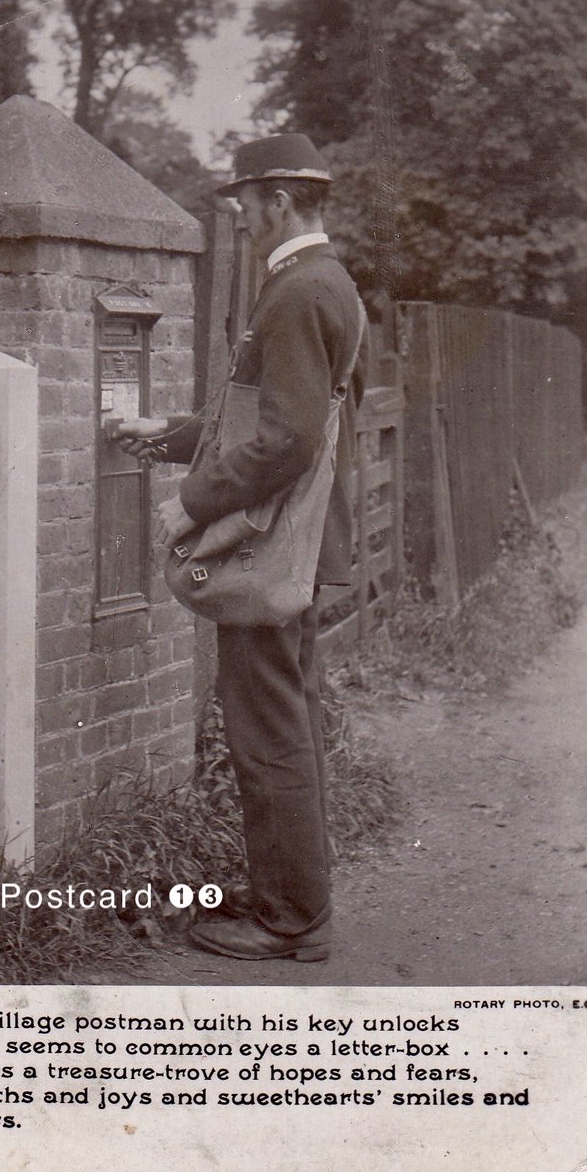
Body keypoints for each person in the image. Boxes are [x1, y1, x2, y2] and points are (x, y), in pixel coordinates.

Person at [114, 133, 368, 962]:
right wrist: (170, 433)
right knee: (281, 722)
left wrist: (187, 506)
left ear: (279, 201)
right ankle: (292, 895)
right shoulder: (328, 283)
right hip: (300, 545)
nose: (240, 214)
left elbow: (287, 440)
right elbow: (266, 424)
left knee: (266, 731)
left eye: (246, 202)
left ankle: (290, 919)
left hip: (269, 551)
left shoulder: (296, 292)